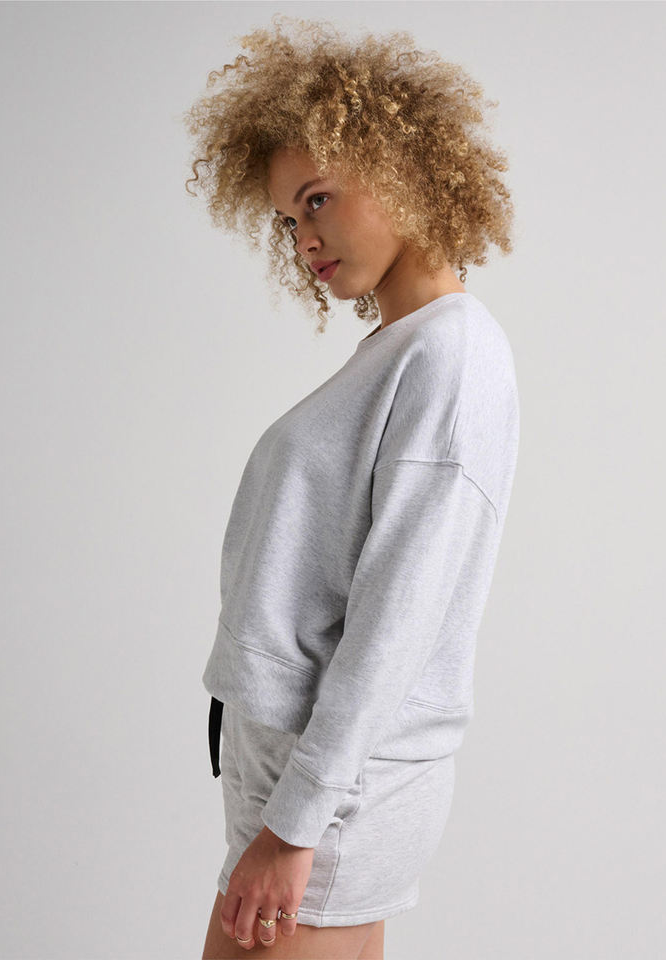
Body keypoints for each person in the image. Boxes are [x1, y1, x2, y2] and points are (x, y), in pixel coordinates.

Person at [184, 16, 519, 959]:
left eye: (318, 200)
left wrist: (294, 829)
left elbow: (398, 617)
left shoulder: (451, 357)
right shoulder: (403, 349)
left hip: (329, 797)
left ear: (402, 166)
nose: (304, 239)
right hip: (309, 781)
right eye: (289, 221)